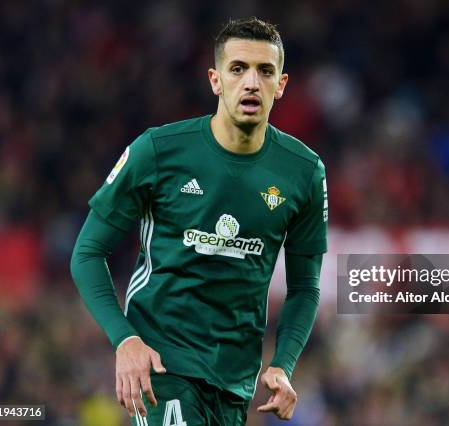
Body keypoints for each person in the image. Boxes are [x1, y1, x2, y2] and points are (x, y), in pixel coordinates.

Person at [70, 16, 327, 426]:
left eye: (265, 71)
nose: (251, 82)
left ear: (281, 85)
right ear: (215, 80)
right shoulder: (157, 151)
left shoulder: (303, 172)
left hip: (235, 382)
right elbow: (87, 253)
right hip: (162, 365)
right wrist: (125, 339)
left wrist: (283, 363)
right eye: (238, 68)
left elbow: (304, 286)